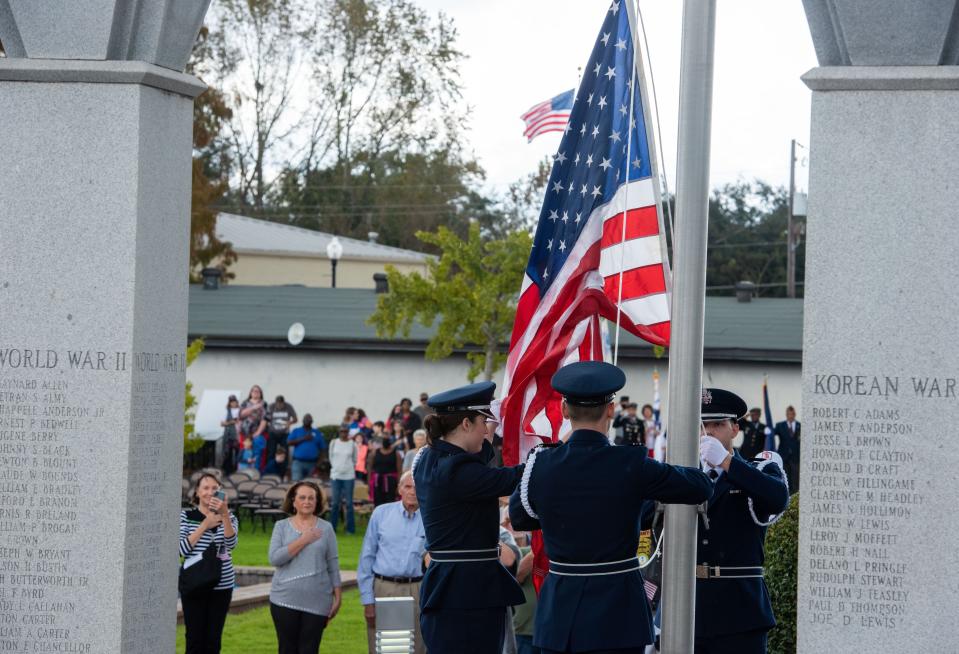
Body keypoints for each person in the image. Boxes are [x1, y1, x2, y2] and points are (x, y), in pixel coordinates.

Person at [508, 361, 713, 654]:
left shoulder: (542, 463)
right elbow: (701, 486)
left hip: (561, 611)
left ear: (565, 411)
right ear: (611, 410)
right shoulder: (630, 463)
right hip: (618, 613)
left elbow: (520, 516)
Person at [414, 381, 526, 654]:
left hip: (451, 585)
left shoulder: (429, 458)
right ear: (466, 423)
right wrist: (555, 453)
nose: (486, 429)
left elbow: (475, 465)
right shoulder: (457, 471)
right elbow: (510, 478)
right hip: (467, 591)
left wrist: (491, 429)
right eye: (483, 422)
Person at [697, 388, 790, 654]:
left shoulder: (758, 468)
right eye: (703, 425)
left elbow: (777, 498)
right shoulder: (685, 474)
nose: (709, 432)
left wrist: (726, 462)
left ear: (735, 429)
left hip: (739, 610)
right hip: (689, 606)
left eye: (718, 424)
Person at [268, 481, 342, 654]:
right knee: (287, 649)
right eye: (302, 497)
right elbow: (275, 558)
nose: (307, 501)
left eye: (311, 498)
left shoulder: (326, 528)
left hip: (317, 599)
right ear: (293, 501)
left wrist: (338, 597)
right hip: (284, 599)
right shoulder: (281, 527)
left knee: (310, 649)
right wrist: (303, 539)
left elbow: (333, 563)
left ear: (317, 502)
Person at [358, 472, 427, 654]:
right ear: (399, 489)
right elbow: (366, 558)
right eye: (408, 487)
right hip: (385, 588)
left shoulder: (432, 518)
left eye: (417, 487)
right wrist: (367, 601)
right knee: (387, 648)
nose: (412, 492)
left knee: (417, 647)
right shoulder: (381, 514)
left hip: (418, 590)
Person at [179, 472, 238, 654]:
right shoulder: (185, 517)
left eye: (214, 488)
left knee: (213, 639)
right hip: (194, 583)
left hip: (222, 584)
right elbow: (181, 550)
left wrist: (224, 515)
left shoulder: (230, 517)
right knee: (195, 638)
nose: (210, 492)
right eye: (205, 488)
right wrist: (205, 524)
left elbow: (231, 545)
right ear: (197, 492)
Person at [329, 426, 358, 534]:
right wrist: (337, 468)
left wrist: (347, 468)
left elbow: (355, 459)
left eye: (345, 431)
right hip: (336, 476)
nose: (343, 433)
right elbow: (331, 457)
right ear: (339, 432)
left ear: (348, 432)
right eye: (341, 431)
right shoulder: (333, 442)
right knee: (335, 503)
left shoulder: (352, 444)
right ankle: (332, 528)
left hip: (349, 476)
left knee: (349, 503)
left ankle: (350, 529)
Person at [288, 414, 327, 481]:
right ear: (302, 421)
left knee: (311, 484)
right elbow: (289, 442)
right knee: (296, 483)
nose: (307, 421)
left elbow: (323, 449)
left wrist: (319, 463)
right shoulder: (296, 430)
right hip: (298, 462)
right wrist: (303, 438)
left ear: (312, 421)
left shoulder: (317, 433)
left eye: (309, 420)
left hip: (312, 463)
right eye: (306, 419)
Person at [368, 431, 403, 507]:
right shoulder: (374, 453)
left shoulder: (396, 454)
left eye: (387, 439)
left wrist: (399, 485)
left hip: (391, 482)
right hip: (377, 482)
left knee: (390, 503)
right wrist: (369, 484)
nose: (386, 441)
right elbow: (369, 469)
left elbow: (399, 470)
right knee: (378, 503)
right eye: (384, 439)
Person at [266, 395, 298, 473]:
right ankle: (270, 470)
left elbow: (295, 419)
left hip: (284, 433)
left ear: (284, 402)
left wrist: (290, 422)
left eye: (281, 404)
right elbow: (266, 419)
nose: (279, 405)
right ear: (275, 402)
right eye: (278, 403)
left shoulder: (289, 406)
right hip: (273, 433)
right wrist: (269, 426)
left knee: (284, 452)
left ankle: (283, 470)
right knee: (271, 452)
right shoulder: (271, 406)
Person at [239, 385, 268, 468]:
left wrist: (258, 432)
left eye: (257, 391)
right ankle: (244, 473)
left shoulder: (264, 404)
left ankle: (256, 472)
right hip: (245, 433)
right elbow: (241, 415)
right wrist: (254, 407)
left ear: (260, 393)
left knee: (257, 453)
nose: (255, 392)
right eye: (253, 391)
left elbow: (265, 419)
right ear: (250, 393)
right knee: (244, 453)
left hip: (259, 434)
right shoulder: (245, 403)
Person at [773, 406, 801, 493]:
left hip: (795, 456)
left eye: (792, 414)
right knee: (785, 477)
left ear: (795, 414)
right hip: (784, 456)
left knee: (795, 478)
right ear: (786, 414)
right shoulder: (780, 425)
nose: (790, 415)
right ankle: (786, 495)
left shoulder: (799, 426)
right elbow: (771, 434)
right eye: (789, 414)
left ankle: (794, 497)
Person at [220, 395, 241, 474]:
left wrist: (229, 422)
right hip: (228, 434)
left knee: (237, 453)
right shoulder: (226, 411)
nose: (233, 403)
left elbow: (239, 420)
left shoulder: (240, 410)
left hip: (237, 434)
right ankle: (228, 470)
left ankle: (236, 469)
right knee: (227, 453)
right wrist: (231, 422)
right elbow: (222, 423)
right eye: (231, 402)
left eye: (234, 401)